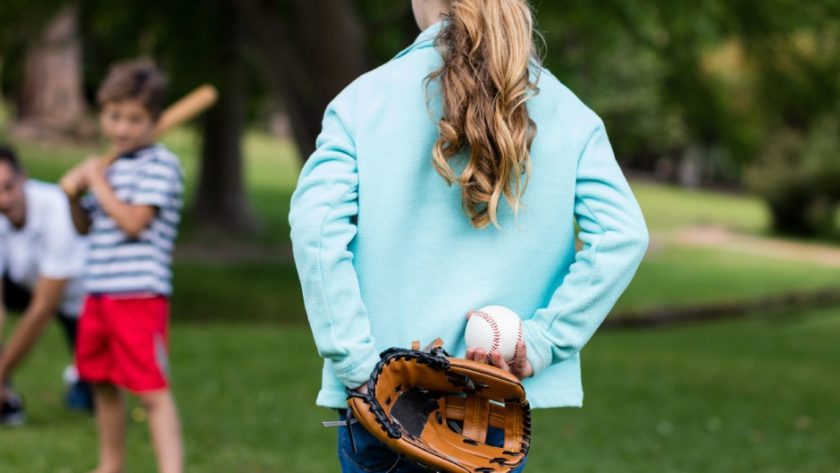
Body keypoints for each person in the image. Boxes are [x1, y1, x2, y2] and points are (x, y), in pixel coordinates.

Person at [289, 0, 650, 471]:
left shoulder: (362, 100)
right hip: (488, 408)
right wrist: (542, 341)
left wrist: (359, 368)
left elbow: (316, 230)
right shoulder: (572, 116)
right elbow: (622, 236)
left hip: (380, 403)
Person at [60, 59, 184, 473]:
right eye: (114, 116)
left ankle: (171, 468)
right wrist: (75, 197)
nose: (122, 128)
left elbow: (133, 222)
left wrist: (95, 181)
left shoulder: (160, 164)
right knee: (100, 380)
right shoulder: (111, 166)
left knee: (150, 389)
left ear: (155, 120)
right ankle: (110, 465)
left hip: (139, 294)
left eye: (134, 119)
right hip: (99, 291)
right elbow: (85, 227)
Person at [0, 145, 93, 426]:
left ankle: (80, 381)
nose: (2, 199)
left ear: (23, 179)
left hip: (82, 300)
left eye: (8, 187)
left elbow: (43, 307)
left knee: (89, 400)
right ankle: (7, 401)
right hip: (27, 283)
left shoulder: (55, 207)